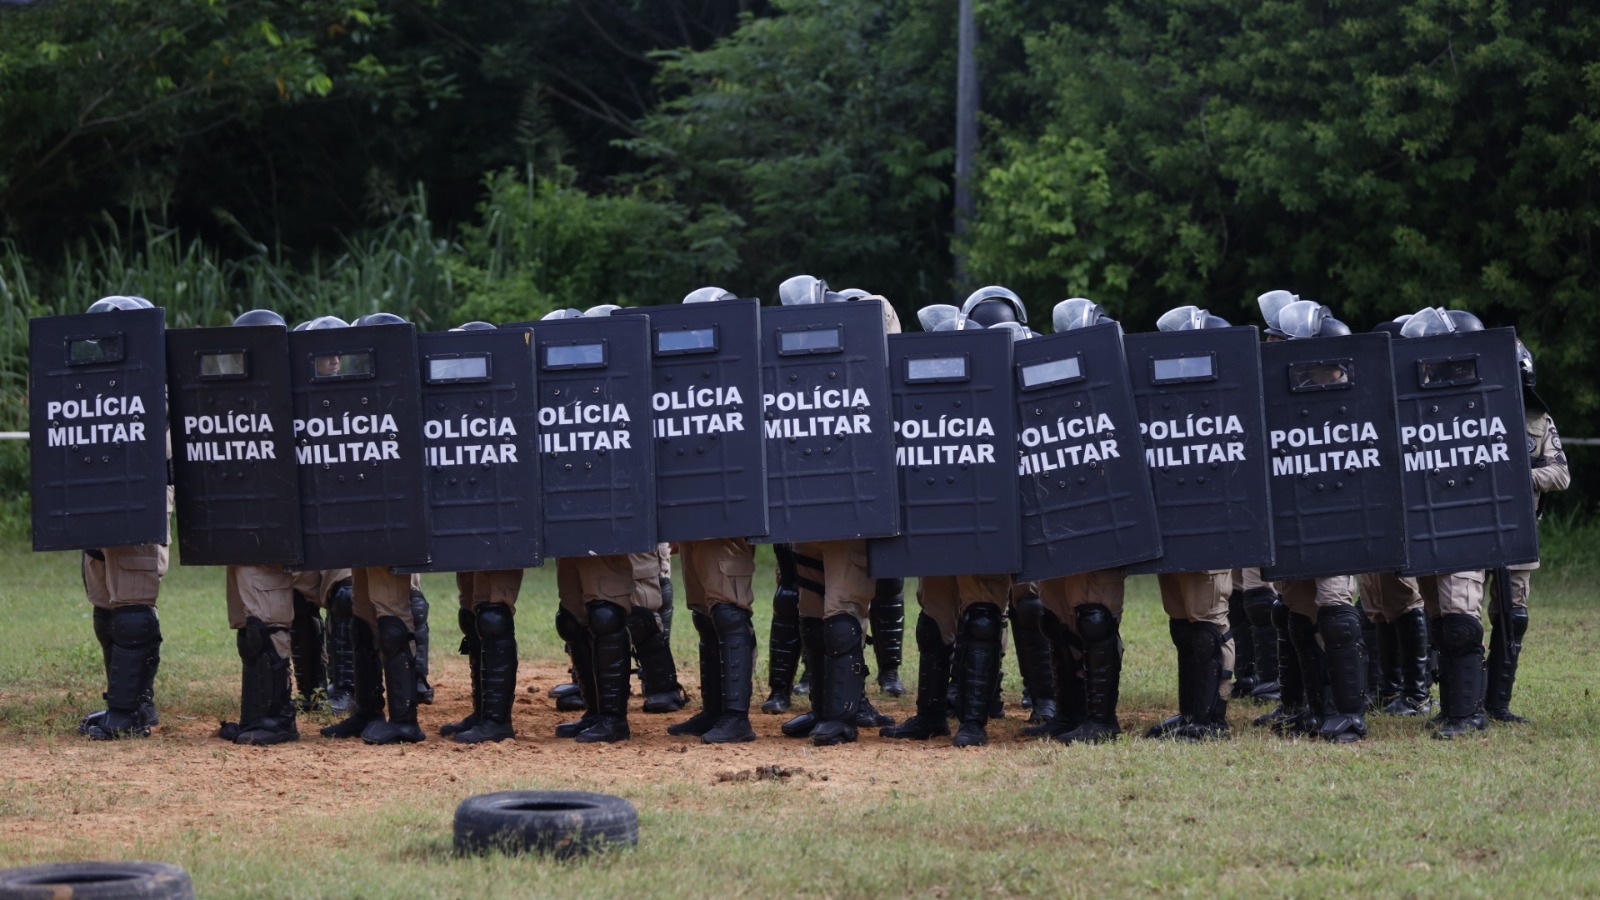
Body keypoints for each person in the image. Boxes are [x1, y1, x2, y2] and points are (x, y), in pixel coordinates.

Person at [75, 295, 168, 741]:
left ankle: (129, 713)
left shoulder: (156, 382)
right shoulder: (84, 383)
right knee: (104, 603)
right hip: (97, 499)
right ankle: (129, 700)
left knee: (132, 603)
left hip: (138, 500)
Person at [1484, 340, 1569, 723]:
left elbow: (1561, 474)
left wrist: (1521, 479)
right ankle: (1460, 697)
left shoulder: (1538, 420)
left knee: (1512, 615)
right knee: (1457, 615)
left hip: (1518, 529)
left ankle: (1497, 703)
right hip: (1469, 527)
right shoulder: (1469, 412)